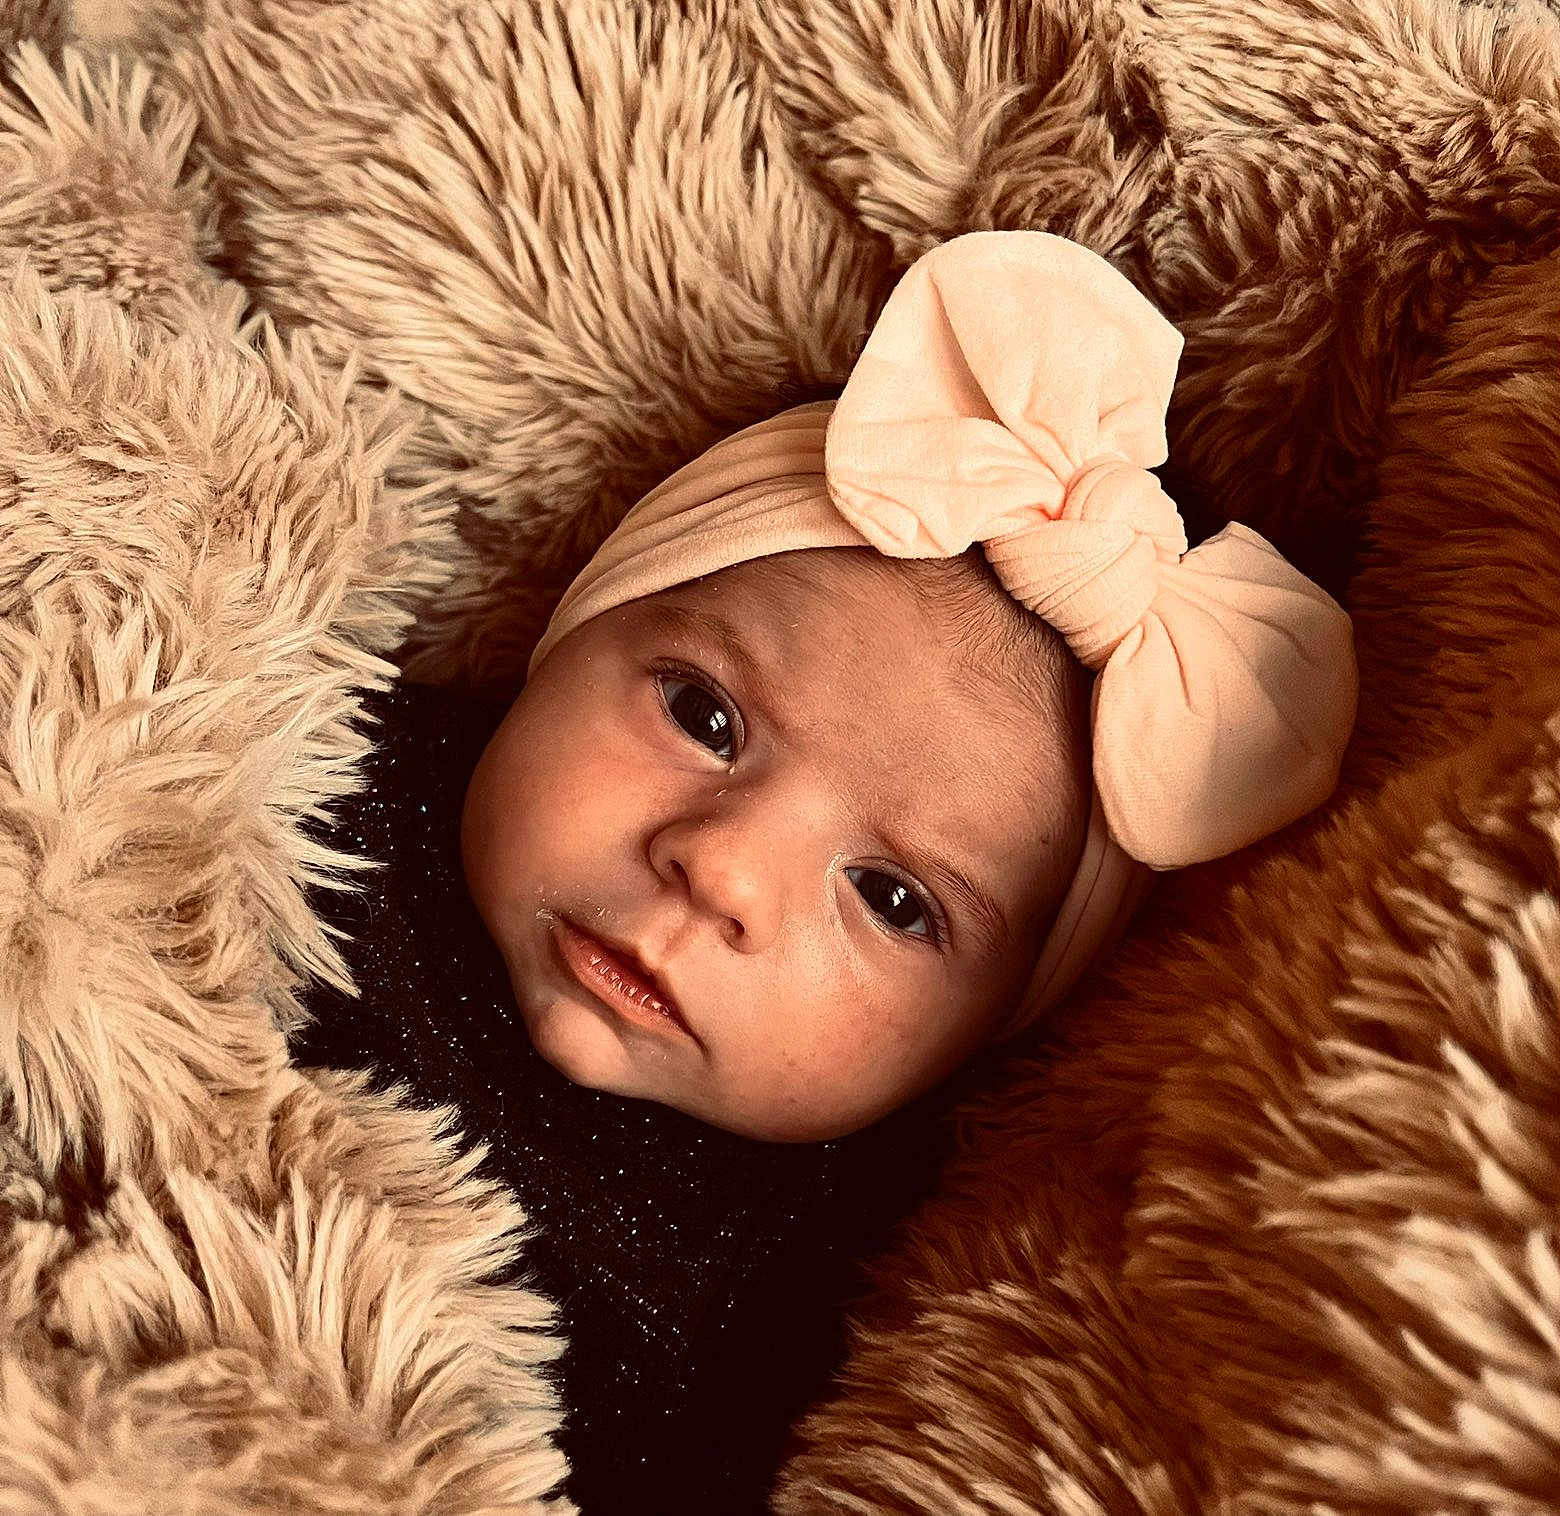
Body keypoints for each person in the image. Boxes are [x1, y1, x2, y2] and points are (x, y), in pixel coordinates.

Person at [292, 229, 1358, 1509]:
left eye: (893, 900)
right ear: (567, 636)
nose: (722, 868)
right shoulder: (306, 768)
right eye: (703, 714)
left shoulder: (825, 1297)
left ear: (979, 1042)